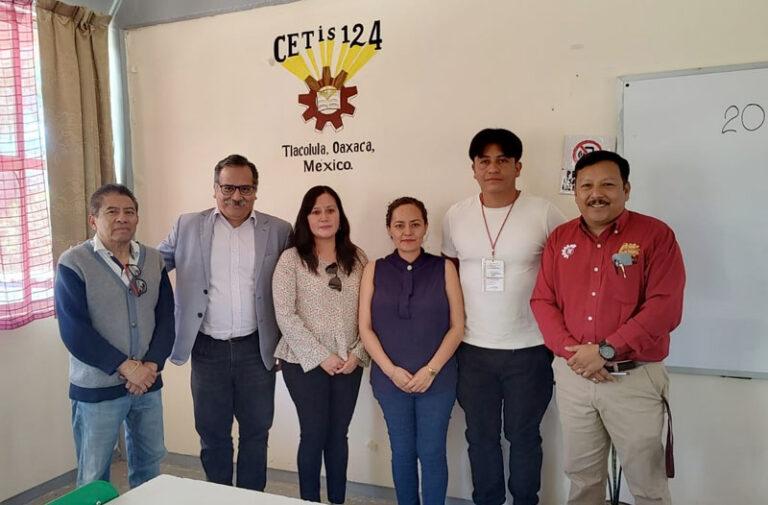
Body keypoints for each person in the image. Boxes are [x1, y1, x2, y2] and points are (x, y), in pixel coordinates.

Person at [531, 150, 685, 505]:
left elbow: (665, 308)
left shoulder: (655, 236)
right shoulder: (560, 239)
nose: (595, 193)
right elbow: (542, 301)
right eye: (586, 185)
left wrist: (604, 351)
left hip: (633, 378)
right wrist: (576, 355)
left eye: (607, 184)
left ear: (626, 189)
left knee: (647, 484)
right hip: (574, 377)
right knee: (583, 480)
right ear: (576, 191)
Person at [442, 128, 566, 505]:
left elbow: (568, 273)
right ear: (474, 169)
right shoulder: (455, 216)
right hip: (473, 350)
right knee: (480, 437)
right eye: (484, 160)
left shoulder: (545, 213)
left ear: (518, 166)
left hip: (529, 350)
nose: (493, 168)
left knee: (524, 436)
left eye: (502, 160)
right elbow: (449, 273)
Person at [158, 154, 291, 490]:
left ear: (256, 191)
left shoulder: (278, 230)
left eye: (245, 188)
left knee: (256, 434)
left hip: (256, 349)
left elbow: (298, 279)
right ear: (215, 189)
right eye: (228, 187)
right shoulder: (187, 225)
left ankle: (251, 498)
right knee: (213, 435)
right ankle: (216, 496)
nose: (236, 196)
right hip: (207, 349)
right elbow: (152, 265)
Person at [54, 183, 175, 488]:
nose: (122, 218)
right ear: (93, 220)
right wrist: (126, 366)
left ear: (137, 218)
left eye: (129, 212)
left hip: (147, 385)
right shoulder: (74, 263)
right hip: (97, 389)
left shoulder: (152, 259)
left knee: (149, 466)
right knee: (94, 474)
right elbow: (74, 330)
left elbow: (166, 319)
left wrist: (150, 366)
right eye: (112, 211)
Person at [359, 196, 465, 505]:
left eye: (415, 224)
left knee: (432, 452)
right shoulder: (374, 269)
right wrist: (391, 371)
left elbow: (457, 327)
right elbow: (365, 328)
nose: (407, 231)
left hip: (438, 380)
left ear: (426, 228)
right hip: (390, 380)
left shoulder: (444, 267)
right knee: (402, 452)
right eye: (399, 225)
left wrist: (430, 370)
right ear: (389, 230)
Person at [272, 185, 369, 504]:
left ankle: (338, 500)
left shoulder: (357, 259)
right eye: (316, 211)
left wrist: (357, 354)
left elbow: (370, 313)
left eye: (330, 209)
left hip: (349, 363)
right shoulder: (291, 260)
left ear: (340, 216)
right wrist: (321, 356)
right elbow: (285, 316)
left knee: (338, 437)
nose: (324, 216)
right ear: (306, 218)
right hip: (303, 363)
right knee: (313, 435)